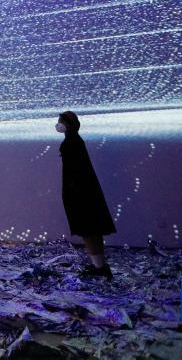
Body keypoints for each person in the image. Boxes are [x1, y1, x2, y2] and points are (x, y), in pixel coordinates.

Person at [57, 110, 116, 279]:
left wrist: (70, 190)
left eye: (61, 121)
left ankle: (99, 267)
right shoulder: (75, 140)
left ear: (68, 124)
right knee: (92, 230)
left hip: (79, 192)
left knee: (88, 230)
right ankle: (99, 265)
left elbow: (73, 170)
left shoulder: (71, 142)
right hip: (85, 190)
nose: (58, 124)